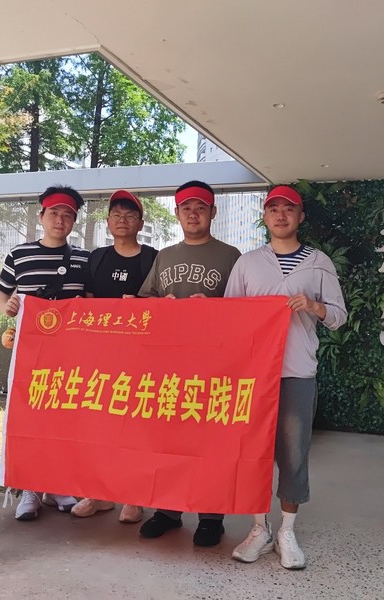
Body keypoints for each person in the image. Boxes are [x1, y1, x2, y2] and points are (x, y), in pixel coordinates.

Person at [224, 185, 347, 569]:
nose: (281, 215)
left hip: (297, 372)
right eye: (273, 208)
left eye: (288, 209)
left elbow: (339, 317)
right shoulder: (248, 263)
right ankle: (259, 529)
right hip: (254, 375)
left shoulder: (318, 263)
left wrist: (313, 306)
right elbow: (229, 317)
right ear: (264, 216)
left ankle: (287, 531)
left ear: (300, 216)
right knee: (254, 453)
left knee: (293, 454)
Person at [136, 180, 241, 547]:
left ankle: (211, 517)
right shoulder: (164, 256)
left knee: (210, 442)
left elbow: (245, 310)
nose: (193, 214)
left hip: (215, 366)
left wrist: (213, 309)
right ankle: (168, 511)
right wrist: (162, 305)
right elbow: (144, 303)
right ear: (177, 213)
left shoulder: (231, 256)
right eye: (186, 208)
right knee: (169, 440)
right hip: (169, 366)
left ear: (213, 212)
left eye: (200, 207)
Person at [0, 185, 90, 521]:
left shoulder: (84, 259)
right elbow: (0, 293)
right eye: (54, 213)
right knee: (30, 418)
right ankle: (30, 490)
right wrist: (8, 307)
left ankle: (59, 485)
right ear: (41, 216)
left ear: (74, 221)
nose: (60, 220)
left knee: (65, 419)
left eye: (68, 215)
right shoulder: (19, 255)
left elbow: (93, 301)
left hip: (71, 357)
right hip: (30, 355)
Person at [70, 189, 158, 524]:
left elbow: (163, 305)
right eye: (117, 215)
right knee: (98, 428)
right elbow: (86, 302)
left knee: (135, 430)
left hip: (141, 360)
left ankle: (134, 498)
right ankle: (97, 494)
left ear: (141, 223)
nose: (123, 220)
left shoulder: (152, 258)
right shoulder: (96, 258)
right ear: (107, 223)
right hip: (101, 359)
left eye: (130, 215)